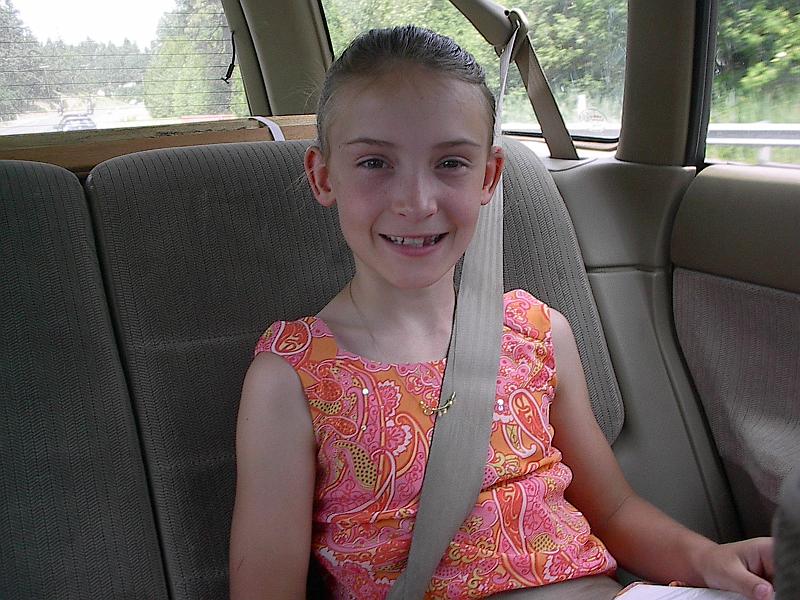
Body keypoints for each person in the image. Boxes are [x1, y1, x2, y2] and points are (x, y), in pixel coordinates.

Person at [228, 25, 774, 600]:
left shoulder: (536, 333)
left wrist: (709, 560)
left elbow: (613, 510)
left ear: (489, 176)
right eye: (374, 163)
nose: (416, 202)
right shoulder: (293, 378)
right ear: (323, 176)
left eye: (450, 163)